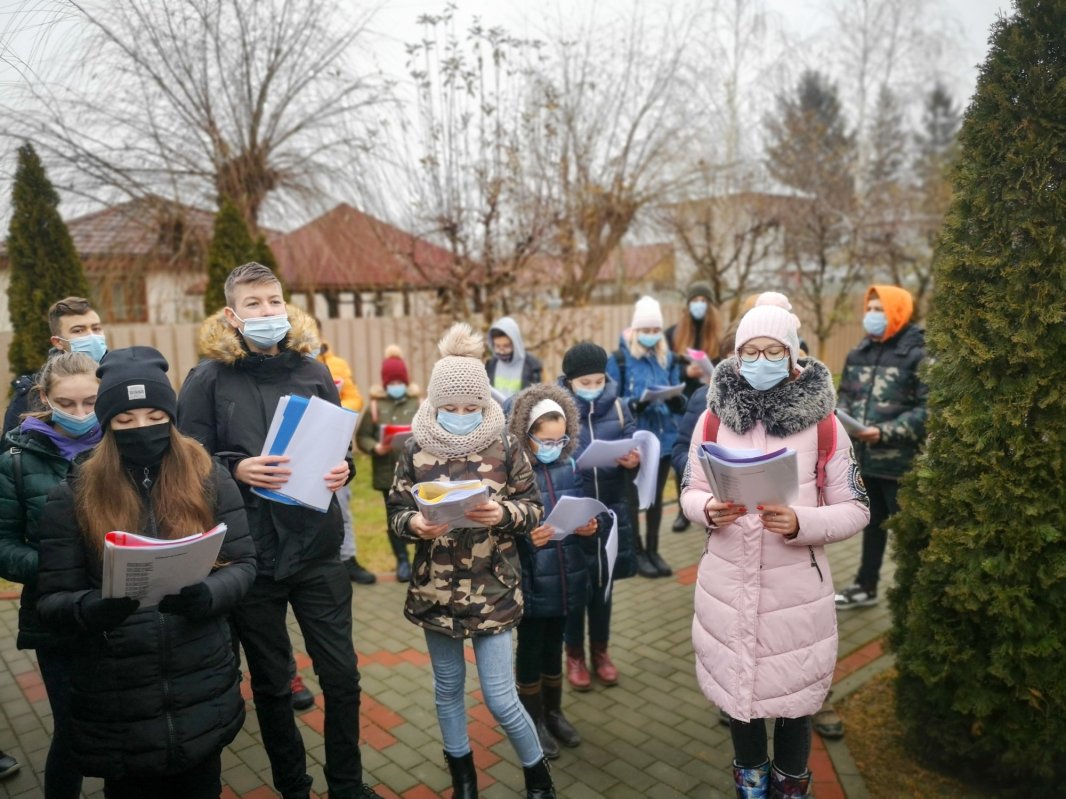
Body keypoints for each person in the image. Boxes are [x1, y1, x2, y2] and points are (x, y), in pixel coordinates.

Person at [177, 263, 380, 799]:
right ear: (232, 313)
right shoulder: (206, 380)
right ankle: (294, 786)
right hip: (251, 556)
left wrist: (345, 469)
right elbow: (188, 464)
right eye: (254, 304)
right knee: (270, 685)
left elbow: (339, 447)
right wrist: (235, 468)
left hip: (316, 548)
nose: (266, 313)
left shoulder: (313, 370)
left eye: (274, 301)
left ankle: (347, 784)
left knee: (341, 678)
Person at [34, 346, 256, 799]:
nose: (141, 428)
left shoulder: (208, 476)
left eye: (154, 414)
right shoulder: (73, 494)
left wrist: (210, 594)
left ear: (171, 416)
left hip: (200, 678)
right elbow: (51, 598)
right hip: (118, 692)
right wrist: (90, 609)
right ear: (108, 425)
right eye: (125, 420)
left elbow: (244, 563)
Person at [679, 304, 870, 798]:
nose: (759, 360)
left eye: (772, 351)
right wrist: (707, 509)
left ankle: (791, 788)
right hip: (726, 585)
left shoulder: (825, 424)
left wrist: (802, 522)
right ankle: (750, 785)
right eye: (749, 351)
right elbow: (689, 489)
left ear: (792, 356)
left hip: (796, 595)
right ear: (736, 354)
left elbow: (857, 507)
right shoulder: (712, 418)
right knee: (740, 703)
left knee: (794, 704)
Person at [387, 323, 555, 799]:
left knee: (501, 697)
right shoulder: (415, 450)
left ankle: (537, 773)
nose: (460, 416)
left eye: (470, 408)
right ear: (433, 406)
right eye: (450, 408)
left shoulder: (505, 446)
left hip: (494, 589)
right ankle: (463, 774)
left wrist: (502, 512)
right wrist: (415, 526)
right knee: (447, 688)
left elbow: (534, 510)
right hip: (434, 590)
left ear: (485, 404)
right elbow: (396, 511)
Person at [0, 352, 103, 795]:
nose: (80, 415)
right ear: (44, 398)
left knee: (127, 724)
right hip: (55, 617)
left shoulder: (121, 448)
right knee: (73, 731)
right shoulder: (16, 461)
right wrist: (55, 567)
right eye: (67, 403)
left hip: (120, 611)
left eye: (91, 402)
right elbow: (3, 545)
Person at [509, 384, 594, 759]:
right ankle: (533, 720)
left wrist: (591, 527)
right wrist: (529, 539)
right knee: (530, 649)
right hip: (530, 580)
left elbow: (583, 511)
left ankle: (554, 712)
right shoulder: (514, 473)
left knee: (554, 646)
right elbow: (505, 532)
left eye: (560, 440)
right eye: (545, 440)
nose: (553, 447)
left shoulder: (569, 466)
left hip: (565, 577)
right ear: (525, 437)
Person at [835, 285, 928, 609]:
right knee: (871, 525)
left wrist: (884, 432)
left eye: (880, 309)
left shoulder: (919, 354)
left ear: (898, 312)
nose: (872, 315)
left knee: (908, 534)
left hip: (900, 464)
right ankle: (865, 585)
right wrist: (845, 419)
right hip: (865, 460)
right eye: (869, 308)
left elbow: (927, 410)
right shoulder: (857, 353)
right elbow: (845, 394)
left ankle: (915, 595)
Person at [558, 342, 638, 690]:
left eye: (598, 380)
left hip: (610, 511)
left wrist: (634, 460)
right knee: (576, 588)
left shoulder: (620, 408)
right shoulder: (556, 410)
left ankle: (601, 652)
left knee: (603, 587)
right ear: (570, 380)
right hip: (573, 514)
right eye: (585, 382)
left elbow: (635, 448)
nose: (593, 387)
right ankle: (573, 655)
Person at [606, 295, 684, 578]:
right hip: (634, 441)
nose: (651, 335)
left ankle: (653, 549)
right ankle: (636, 552)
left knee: (654, 500)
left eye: (655, 330)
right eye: (646, 330)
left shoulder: (668, 358)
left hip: (663, 439)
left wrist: (677, 400)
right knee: (632, 499)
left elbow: (678, 392)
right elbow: (611, 399)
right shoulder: (620, 359)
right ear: (636, 330)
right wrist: (634, 404)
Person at [313, 318, 374, 585]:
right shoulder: (286, 365)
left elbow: (355, 396)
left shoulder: (336, 364)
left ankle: (347, 559)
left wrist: (336, 410)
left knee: (342, 506)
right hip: (305, 446)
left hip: (334, 444)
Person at [355, 345, 421, 582]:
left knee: (421, 515)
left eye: (399, 381)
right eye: (391, 382)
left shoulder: (418, 403)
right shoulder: (374, 406)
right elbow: (362, 436)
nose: (396, 386)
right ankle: (402, 560)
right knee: (394, 516)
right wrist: (376, 447)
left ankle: (420, 560)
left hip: (417, 473)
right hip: (387, 473)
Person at [3, 296, 108, 438]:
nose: (92, 336)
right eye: (78, 330)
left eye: (96, 328)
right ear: (58, 342)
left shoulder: (120, 380)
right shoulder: (31, 393)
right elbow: (11, 445)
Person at [665, 282, 722, 532]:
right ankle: (683, 509)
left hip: (710, 400)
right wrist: (685, 371)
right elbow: (666, 368)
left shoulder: (718, 337)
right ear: (688, 305)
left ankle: (713, 504)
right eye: (694, 299)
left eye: (703, 299)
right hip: (684, 403)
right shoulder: (673, 334)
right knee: (685, 454)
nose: (699, 304)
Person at [485, 316, 543, 400]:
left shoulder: (532, 366)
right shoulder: (490, 365)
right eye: (497, 346)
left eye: (506, 346)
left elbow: (537, 397)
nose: (501, 351)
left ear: (516, 344)